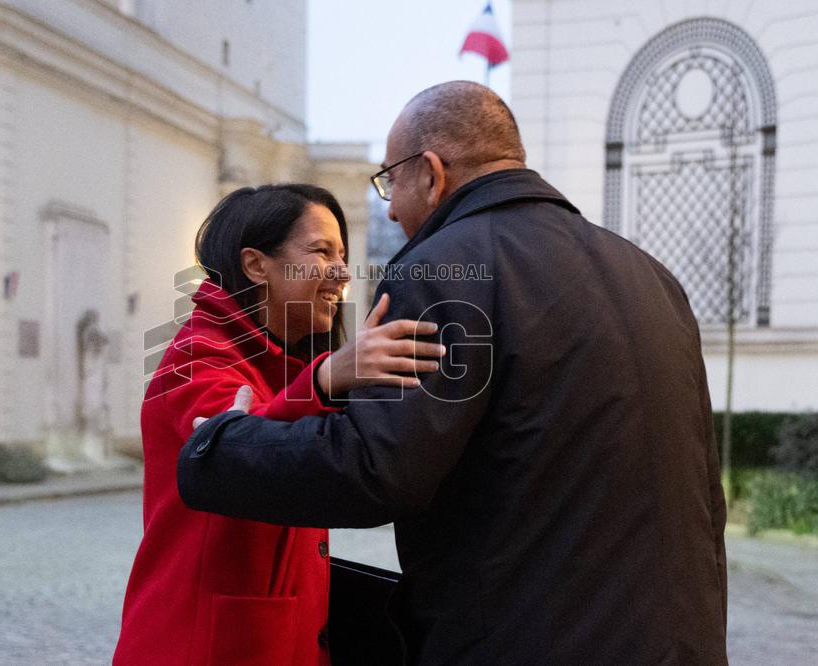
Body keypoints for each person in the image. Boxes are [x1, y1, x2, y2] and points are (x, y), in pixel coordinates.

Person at [178, 82, 728, 664]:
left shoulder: (442, 269)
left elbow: (377, 468)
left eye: (390, 182)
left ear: (431, 173)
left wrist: (223, 448)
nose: (391, 209)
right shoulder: (651, 275)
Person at [113, 184, 445, 665]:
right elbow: (242, 454)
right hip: (201, 645)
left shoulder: (285, 360)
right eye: (321, 251)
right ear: (256, 265)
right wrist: (326, 379)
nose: (342, 271)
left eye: (343, 255)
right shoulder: (198, 354)